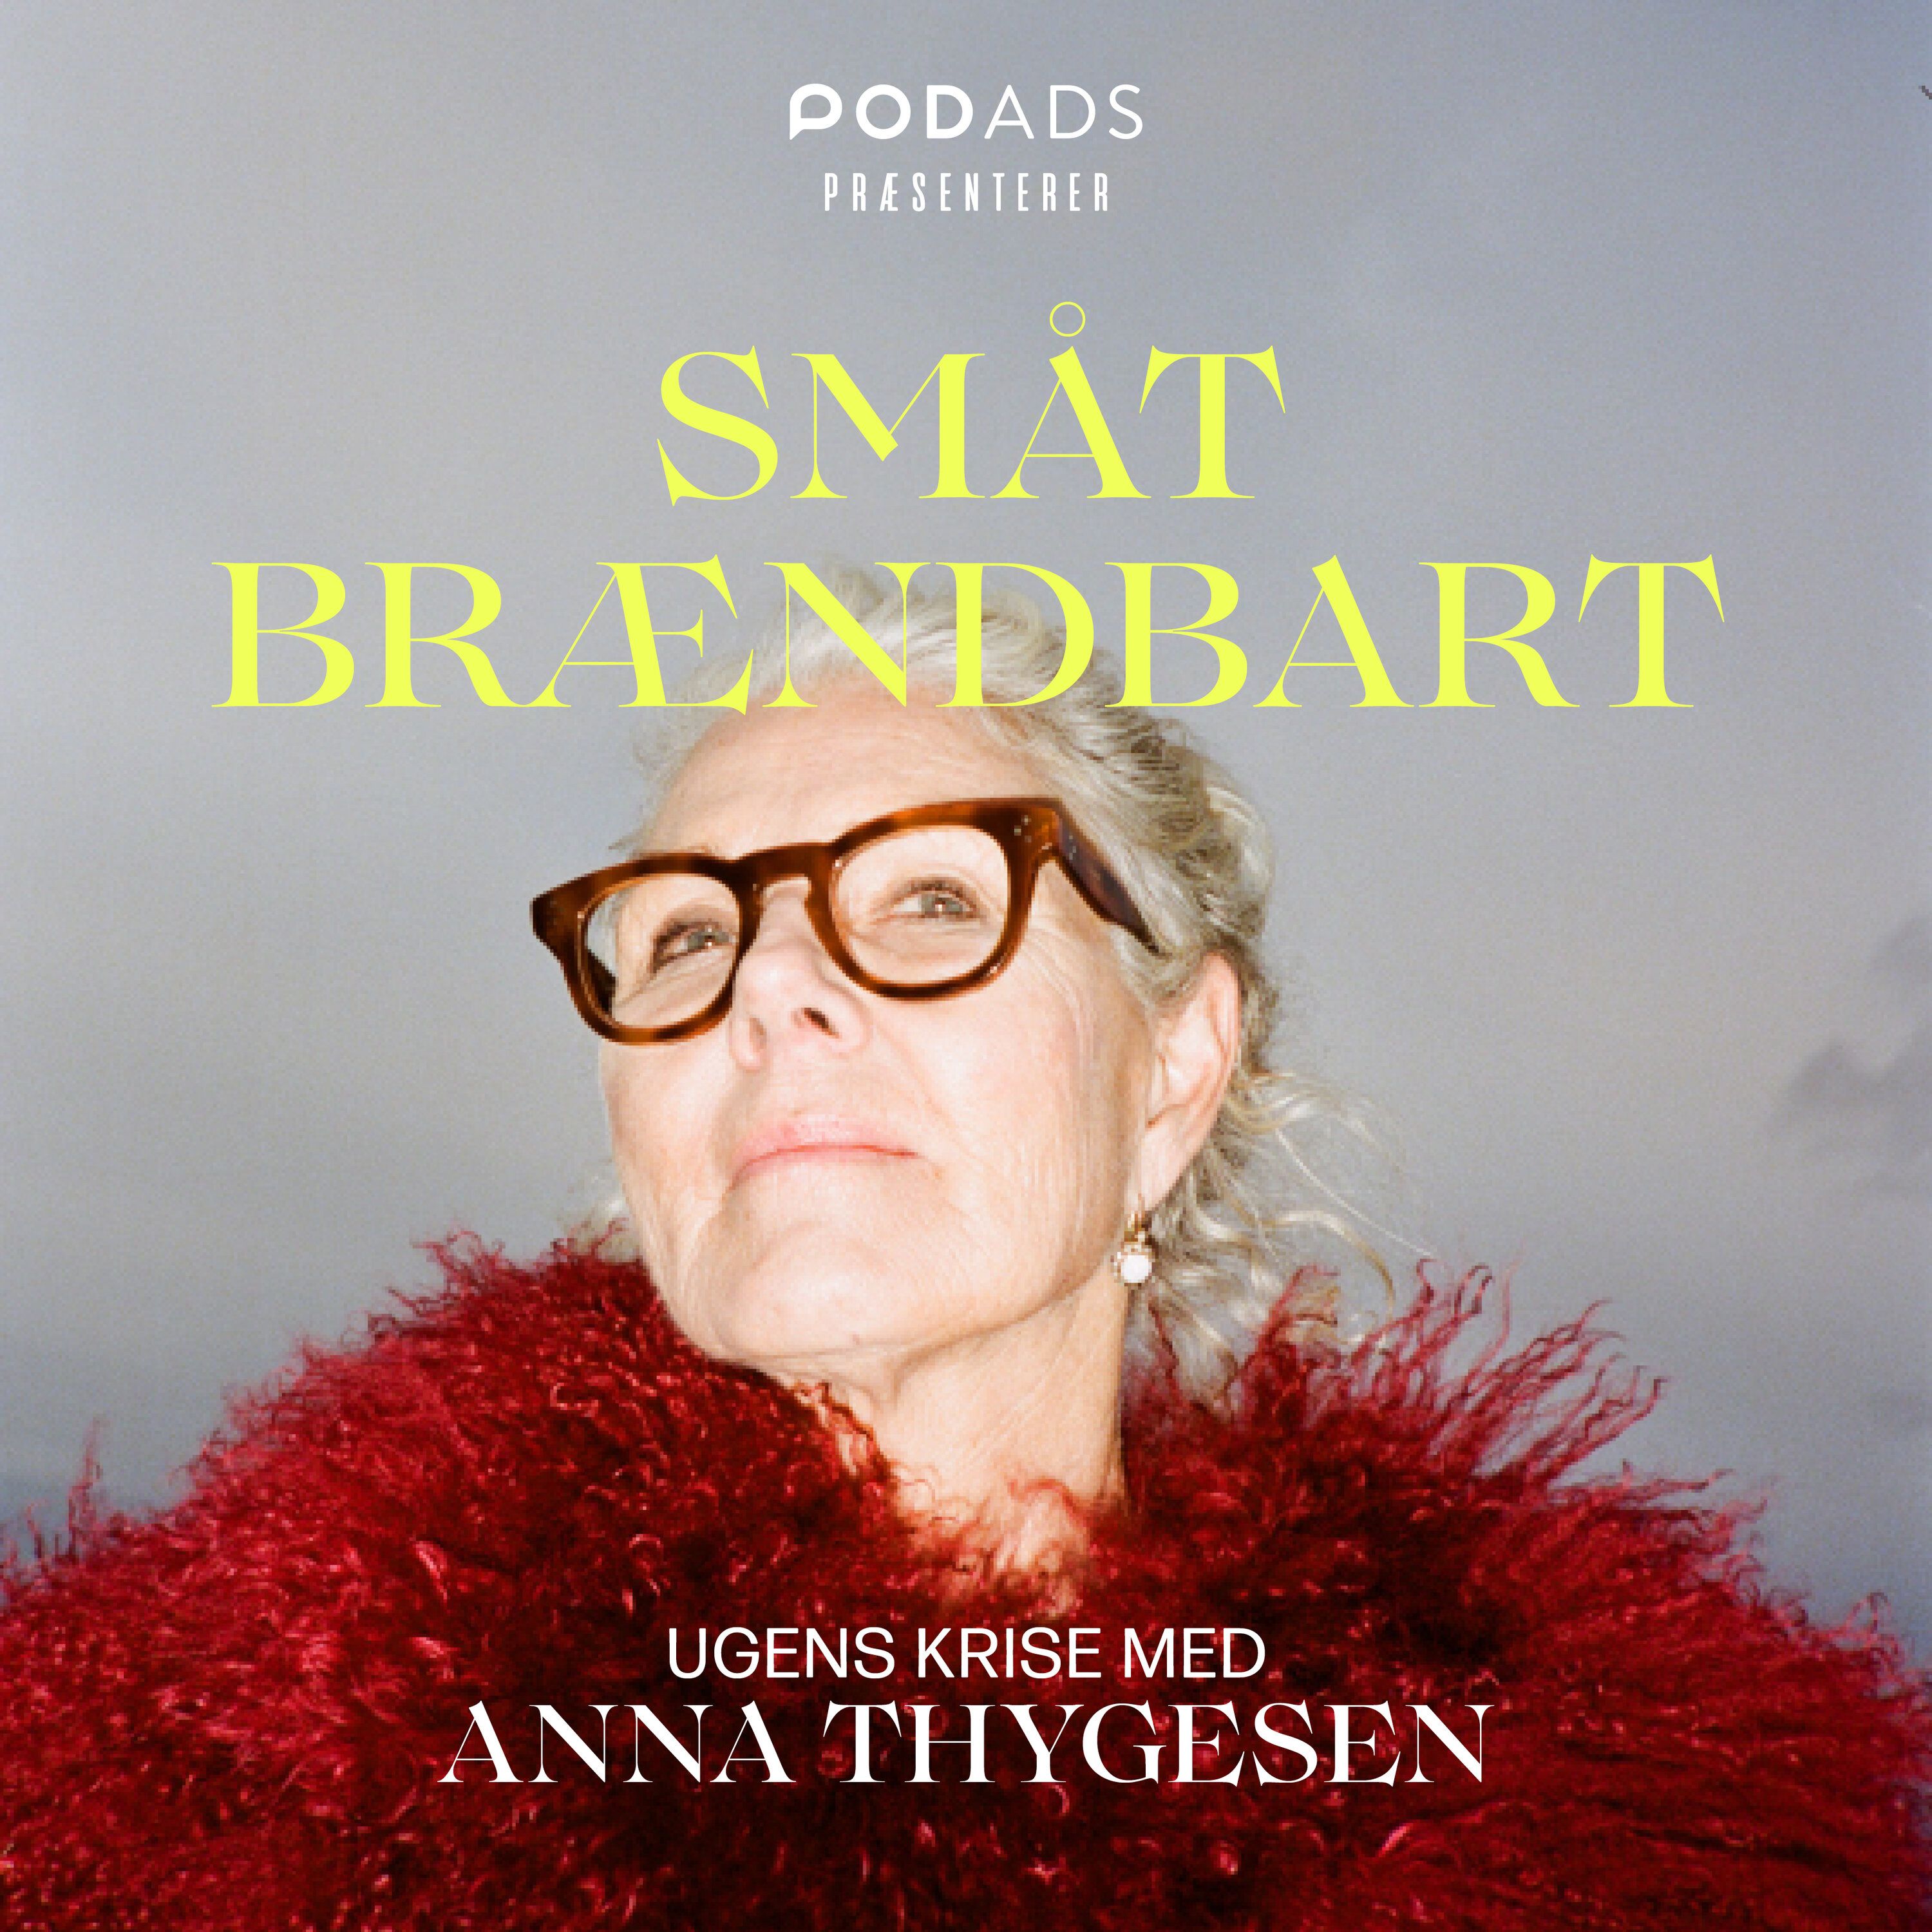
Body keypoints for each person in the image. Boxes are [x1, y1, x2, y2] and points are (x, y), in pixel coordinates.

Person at [1, 578, 1927, 1930]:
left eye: (931, 897)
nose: (771, 989)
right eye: (687, 935)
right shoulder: (212, 1766)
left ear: (1173, 1069)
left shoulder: (1582, 1811)